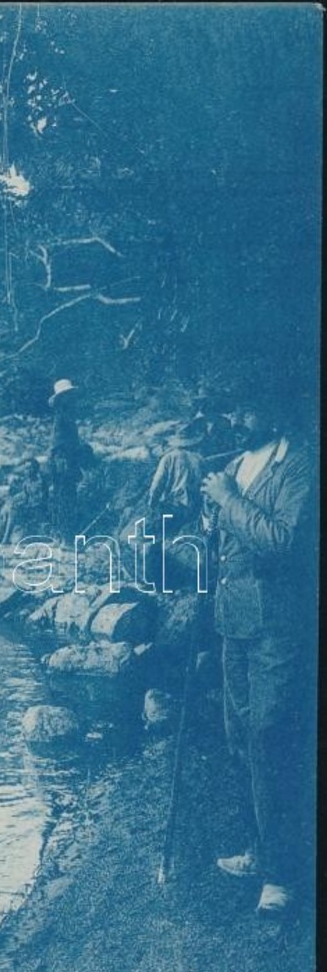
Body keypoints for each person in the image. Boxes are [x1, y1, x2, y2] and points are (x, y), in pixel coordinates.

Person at [201, 389, 315, 913]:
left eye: (244, 406)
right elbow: (229, 542)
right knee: (239, 736)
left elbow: (285, 541)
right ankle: (258, 847)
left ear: (274, 403)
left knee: (271, 736)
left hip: (278, 624)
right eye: (228, 409)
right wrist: (212, 520)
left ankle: (283, 874)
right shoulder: (236, 464)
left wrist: (228, 501)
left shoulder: (297, 464)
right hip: (235, 620)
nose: (235, 417)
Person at [47, 378, 94, 541]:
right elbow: (62, 445)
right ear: (62, 399)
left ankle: (61, 535)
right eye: (68, 395)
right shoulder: (63, 418)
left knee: (63, 497)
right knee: (66, 497)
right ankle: (66, 537)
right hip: (63, 462)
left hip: (61, 461)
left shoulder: (65, 417)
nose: (72, 398)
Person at [148, 419, 206, 532]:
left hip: (172, 506)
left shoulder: (168, 458)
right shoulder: (199, 459)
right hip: (193, 507)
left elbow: (157, 484)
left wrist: (152, 504)